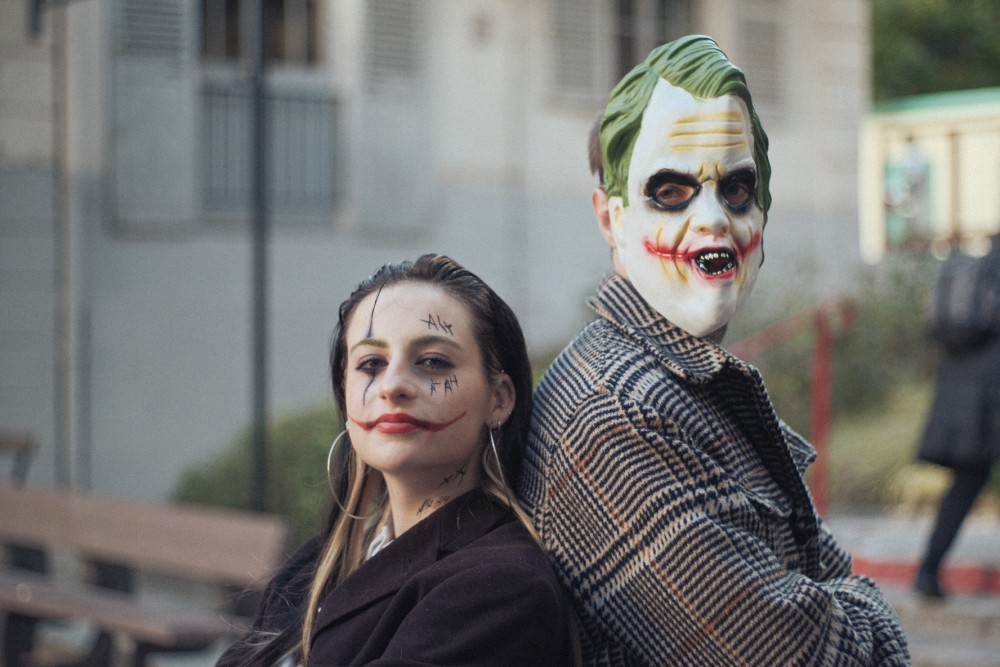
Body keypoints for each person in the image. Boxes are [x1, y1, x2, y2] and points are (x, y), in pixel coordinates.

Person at [518, 35, 911, 665]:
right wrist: (862, 613)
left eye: (736, 189)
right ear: (610, 218)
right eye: (671, 191)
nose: (713, 220)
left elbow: (821, 573)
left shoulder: (685, 383)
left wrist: (836, 605)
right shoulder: (617, 414)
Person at [217, 254, 575, 666]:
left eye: (433, 362)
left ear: (499, 399)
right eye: (371, 364)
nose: (392, 386)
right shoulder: (320, 563)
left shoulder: (502, 585)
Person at [914, 233, 1000, 599]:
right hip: (991, 389)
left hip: (960, 393)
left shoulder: (972, 269)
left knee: (965, 483)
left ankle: (928, 570)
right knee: (968, 482)